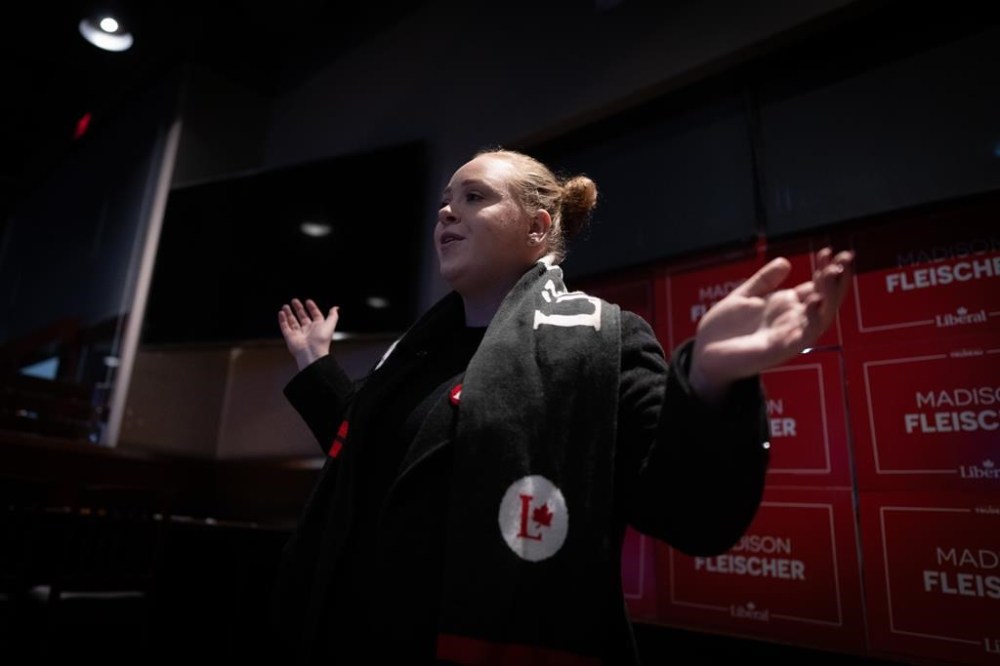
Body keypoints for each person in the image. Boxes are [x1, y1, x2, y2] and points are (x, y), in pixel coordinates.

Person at [271, 147, 854, 665]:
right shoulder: (412, 354)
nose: (446, 212)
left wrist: (708, 380)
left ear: (537, 227)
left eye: (474, 197)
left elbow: (686, 512)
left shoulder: (602, 338)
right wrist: (318, 370)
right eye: (445, 201)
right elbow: (378, 475)